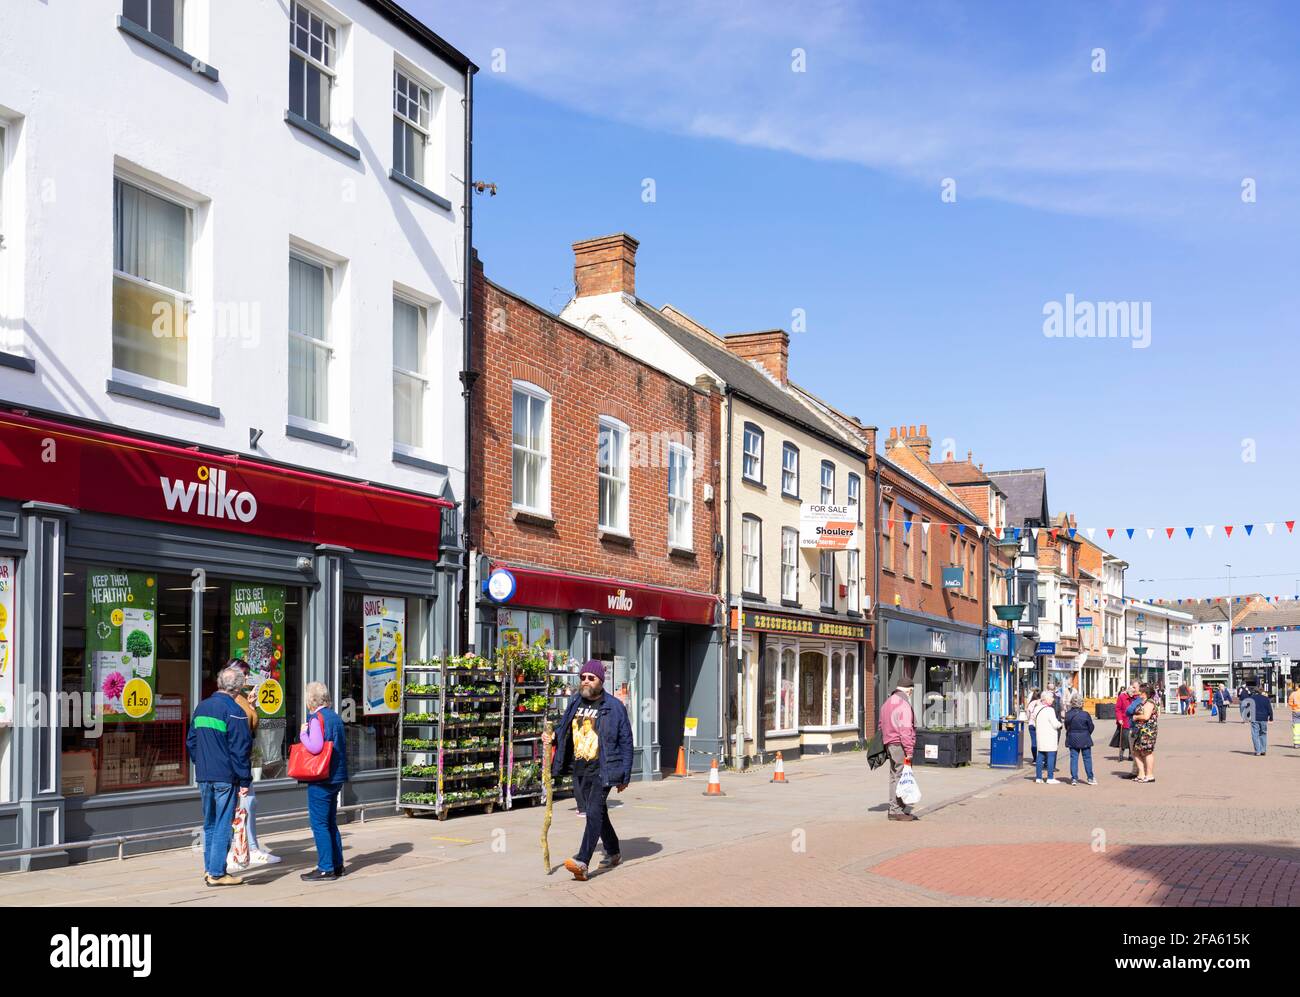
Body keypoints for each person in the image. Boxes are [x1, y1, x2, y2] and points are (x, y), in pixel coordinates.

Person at [545, 660, 633, 879]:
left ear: (600, 681)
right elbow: (563, 726)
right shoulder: (575, 701)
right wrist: (552, 736)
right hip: (579, 767)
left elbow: (626, 741)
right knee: (599, 813)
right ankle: (613, 852)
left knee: (593, 812)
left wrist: (625, 775)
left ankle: (582, 861)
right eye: (582, 677)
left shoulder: (614, 707)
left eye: (590, 678)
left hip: (603, 768)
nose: (585, 681)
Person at [186, 665, 252, 887]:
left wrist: (201, 763)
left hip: (204, 776)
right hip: (225, 777)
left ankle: (210, 869)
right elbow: (240, 750)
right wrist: (245, 780)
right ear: (239, 688)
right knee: (224, 823)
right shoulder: (235, 712)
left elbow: (191, 742)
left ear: (219, 683)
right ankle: (216, 873)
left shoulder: (202, 707)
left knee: (210, 823)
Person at [224, 659, 281, 870]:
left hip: (239, 760)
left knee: (247, 804)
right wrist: (250, 707)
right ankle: (247, 849)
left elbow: (249, 727)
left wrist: (251, 705)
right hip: (237, 762)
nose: (248, 677)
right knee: (245, 803)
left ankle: (244, 848)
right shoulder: (233, 700)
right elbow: (244, 729)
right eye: (245, 673)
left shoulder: (238, 698)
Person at [298, 682, 350, 882]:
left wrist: (303, 734)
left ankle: (325, 868)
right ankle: (337, 865)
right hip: (336, 775)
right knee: (330, 822)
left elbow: (315, 746)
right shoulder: (334, 716)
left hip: (321, 777)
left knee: (319, 824)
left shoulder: (315, 718)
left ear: (311, 700)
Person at [879, 683, 918, 821]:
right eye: (911, 692)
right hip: (899, 745)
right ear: (909, 690)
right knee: (901, 776)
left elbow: (880, 725)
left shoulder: (887, 703)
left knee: (894, 776)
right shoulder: (904, 705)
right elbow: (906, 731)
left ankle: (895, 808)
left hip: (889, 744)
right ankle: (896, 811)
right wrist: (909, 751)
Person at [1064, 693, 1096, 785]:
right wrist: (1086, 733)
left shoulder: (1068, 714)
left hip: (1072, 737)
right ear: (1081, 703)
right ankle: (1090, 778)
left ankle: (1074, 778)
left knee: (1074, 758)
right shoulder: (1085, 714)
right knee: (1087, 758)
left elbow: (1067, 726)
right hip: (1084, 737)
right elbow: (1091, 727)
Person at [1033, 690, 1064, 784]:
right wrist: (1060, 724)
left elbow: (1034, 720)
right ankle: (1050, 777)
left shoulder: (1037, 709)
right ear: (1046, 699)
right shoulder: (1050, 710)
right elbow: (1054, 723)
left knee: (1040, 756)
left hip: (1040, 735)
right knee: (1051, 755)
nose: (1053, 699)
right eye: (1051, 698)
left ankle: (1038, 777)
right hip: (1050, 735)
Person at [1132, 683, 1160, 782]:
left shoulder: (1149, 703)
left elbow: (1146, 716)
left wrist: (1136, 717)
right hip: (1142, 730)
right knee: (1136, 751)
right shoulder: (1144, 702)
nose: (1139, 692)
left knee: (1147, 752)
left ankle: (1149, 775)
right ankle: (1141, 773)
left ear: (1145, 693)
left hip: (1148, 731)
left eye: (1140, 691)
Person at [1245, 685, 1274, 756]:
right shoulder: (1266, 699)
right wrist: (1271, 718)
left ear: (1254, 691)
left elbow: (1248, 709)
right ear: (1262, 691)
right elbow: (1270, 709)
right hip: (1264, 718)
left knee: (1255, 734)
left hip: (1255, 718)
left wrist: (1247, 717)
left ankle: (1258, 751)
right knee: (1263, 733)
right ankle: (1263, 750)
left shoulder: (1251, 698)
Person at [1115, 683, 1134, 761]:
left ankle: (1131, 755)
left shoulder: (1136, 697)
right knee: (1124, 739)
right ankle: (1121, 754)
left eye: (1133, 693)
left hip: (1133, 722)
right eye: (1131, 693)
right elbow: (1118, 709)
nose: (1132, 695)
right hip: (1124, 721)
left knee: (1132, 739)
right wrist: (1119, 719)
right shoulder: (1122, 697)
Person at [1288, 684, 1300, 748]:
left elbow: (1290, 703)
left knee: (1296, 727)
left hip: (1296, 712)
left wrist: (1295, 706)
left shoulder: (1293, 694)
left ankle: (1297, 744)